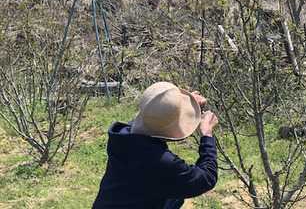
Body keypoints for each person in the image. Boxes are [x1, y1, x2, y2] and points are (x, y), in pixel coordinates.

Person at [92, 81, 218, 209]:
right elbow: (206, 177)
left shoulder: (122, 137)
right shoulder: (161, 163)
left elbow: (155, 117)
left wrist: (182, 106)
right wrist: (207, 134)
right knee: (176, 190)